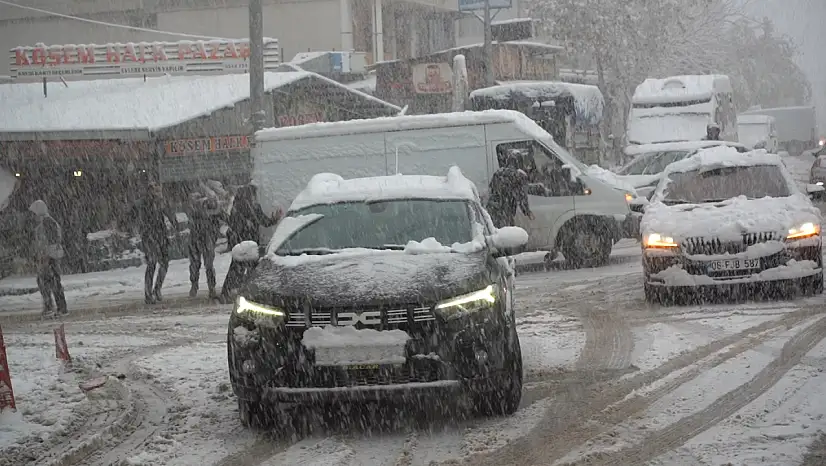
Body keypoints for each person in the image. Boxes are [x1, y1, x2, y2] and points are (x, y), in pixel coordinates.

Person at [220, 184, 282, 302]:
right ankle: (239, 292)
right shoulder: (245, 207)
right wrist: (273, 219)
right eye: (253, 194)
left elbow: (262, 221)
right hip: (245, 242)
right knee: (245, 267)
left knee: (242, 267)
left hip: (246, 242)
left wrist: (274, 219)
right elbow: (261, 222)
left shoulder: (245, 206)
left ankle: (232, 292)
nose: (255, 197)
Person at [129, 182, 179, 304]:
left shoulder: (160, 202)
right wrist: (132, 227)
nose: (157, 193)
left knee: (164, 263)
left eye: (158, 191)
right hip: (149, 236)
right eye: (155, 190)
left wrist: (175, 225)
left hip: (160, 235)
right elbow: (132, 215)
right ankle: (148, 293)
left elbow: (170, 214)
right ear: (149, 191)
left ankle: (157, 289)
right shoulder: (142, 203)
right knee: (152, 263)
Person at [29, 200, 67, 317]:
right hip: (49, 256)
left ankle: (54, 308)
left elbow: (49, 241)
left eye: (34, 212)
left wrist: (45, 256)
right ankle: (55, 307)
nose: (33, 215)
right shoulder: (47, 222)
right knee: (49, 282)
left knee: (48, 282)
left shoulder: (47, 223)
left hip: (49, 257)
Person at [187, 189, 227, 299]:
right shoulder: (197, 208)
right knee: (197, 264)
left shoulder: (214, 210)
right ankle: (196, 285)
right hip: (197, 239)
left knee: (207, 265)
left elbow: (225, 217)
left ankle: (210, 287)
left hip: (206, 239)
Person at [486, 150, 535, 228]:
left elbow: (491, 190)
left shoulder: (498, 173)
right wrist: (527, 212)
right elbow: (522, 197)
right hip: (505, 212)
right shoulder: (519, 176)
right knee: (509, 234)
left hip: (492, 210)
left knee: (495, 234)